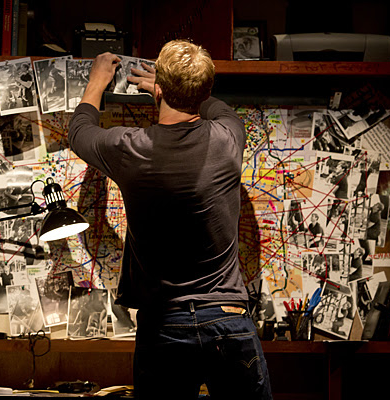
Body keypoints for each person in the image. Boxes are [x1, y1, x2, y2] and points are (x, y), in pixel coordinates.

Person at [68, 40, 272, 400]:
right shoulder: (229, 137)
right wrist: (178, 90)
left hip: (163, 324)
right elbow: (214, 107)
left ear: (158, 90)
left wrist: (97, 81)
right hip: (227, 317)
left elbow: (80, 131)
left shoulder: (130, 148)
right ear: (205, 90)